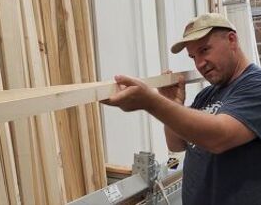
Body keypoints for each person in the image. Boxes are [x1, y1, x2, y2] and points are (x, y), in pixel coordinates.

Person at [102, 13, 261, 205]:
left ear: (231, 40)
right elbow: (176, 145)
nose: (199, 63)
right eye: (193, 56)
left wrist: (150, 102)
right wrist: (173, 103)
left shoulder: (255, 85)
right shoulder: (208, 94)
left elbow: (218, 138)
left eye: (205, 50)